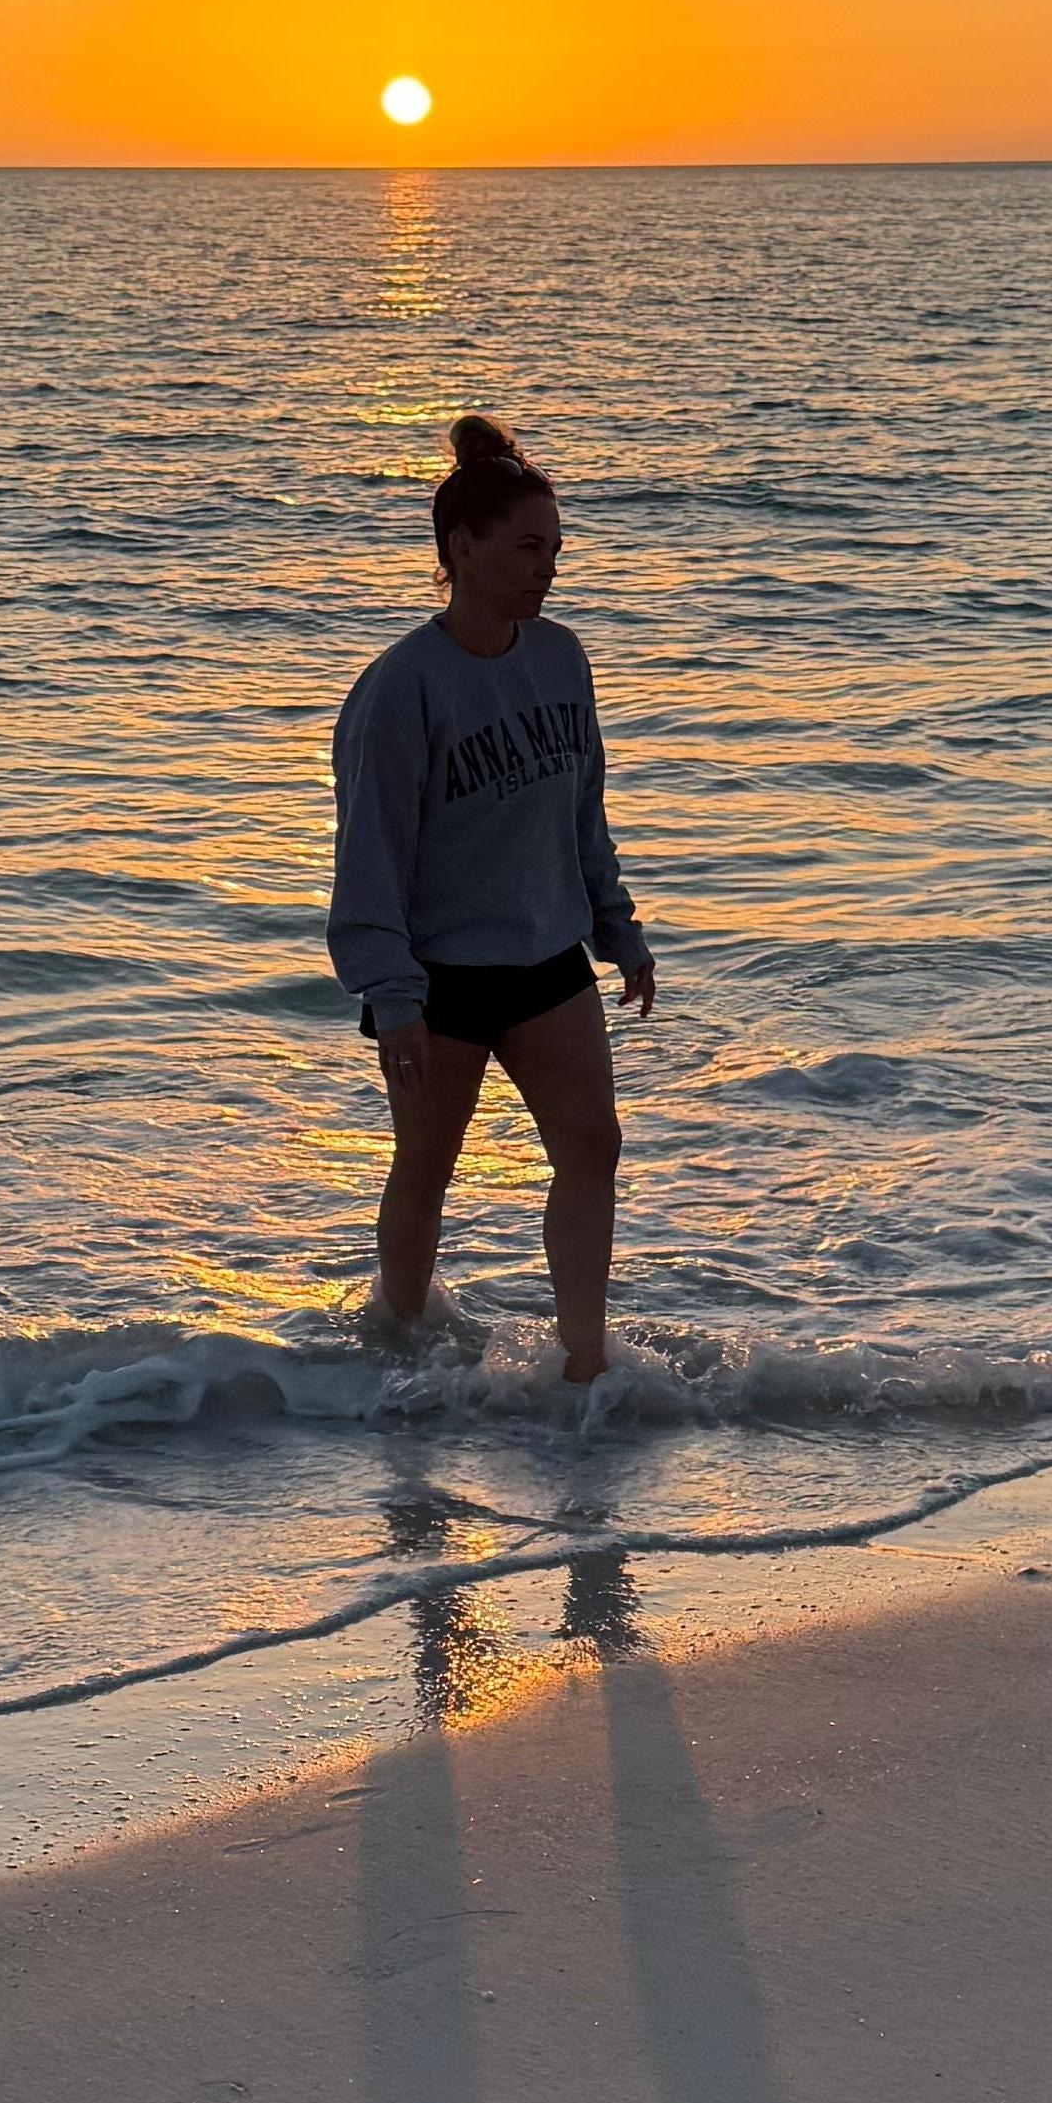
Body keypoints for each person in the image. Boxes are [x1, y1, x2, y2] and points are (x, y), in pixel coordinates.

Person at [326, 414, 658, 1384]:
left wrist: (618, 928)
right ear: (461, 548)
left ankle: (584, 1366)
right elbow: (370, 859)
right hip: (441, 981)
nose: (545, 569)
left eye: (554, 550)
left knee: (593, 1146)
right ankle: (395, 1349)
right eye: (526, 547)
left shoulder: (562, 657)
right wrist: (391, 997)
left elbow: (584, 811)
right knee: (428, 1173)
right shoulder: (400, 689)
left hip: (548, 959)